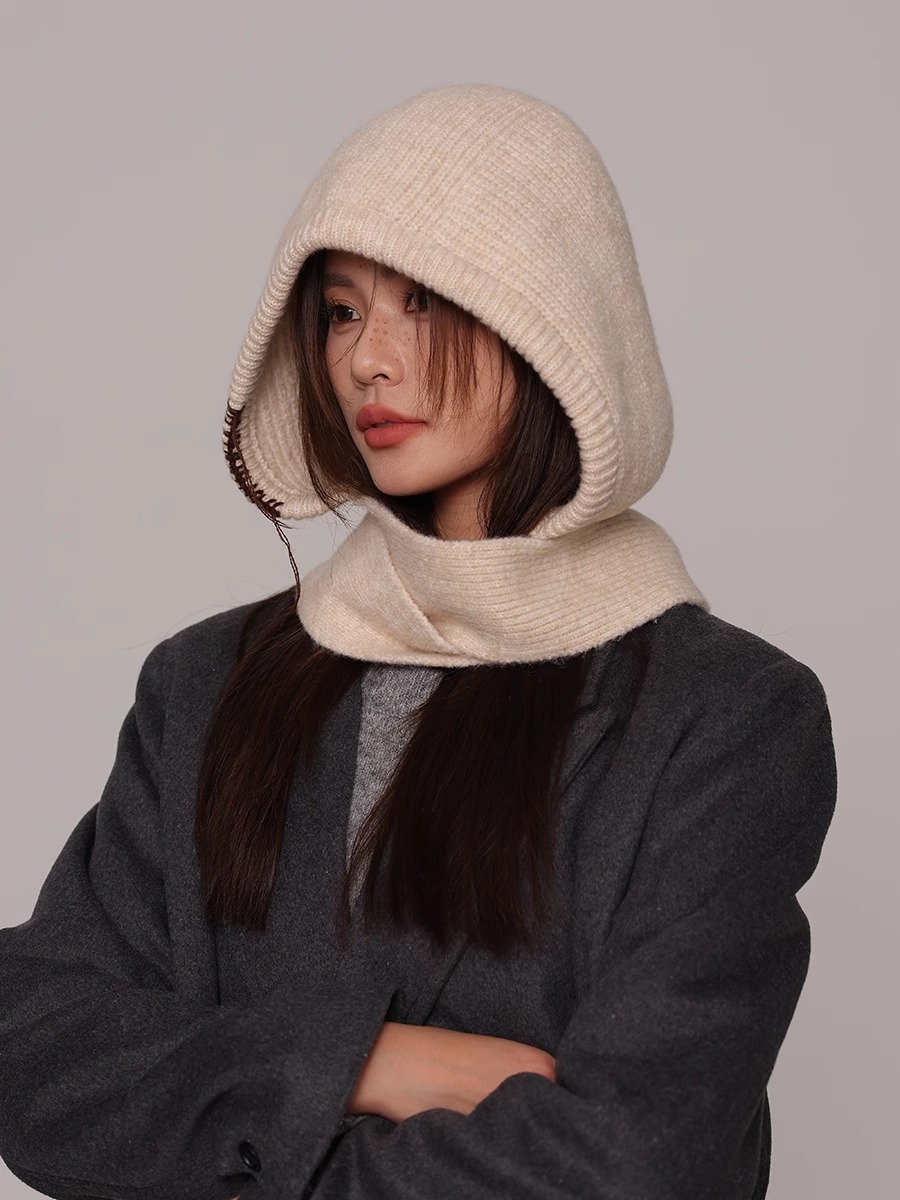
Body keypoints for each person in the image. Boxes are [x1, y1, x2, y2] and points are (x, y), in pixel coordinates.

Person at [0, 84, 837, 1200]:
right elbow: (33, 1046)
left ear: (553, 315)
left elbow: (633, 1162)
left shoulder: (727, 718)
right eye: (342, 311)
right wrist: (374, 1062)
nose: (367, 361)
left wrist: (233, 1131)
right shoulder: (206, 682)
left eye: (426, 300)